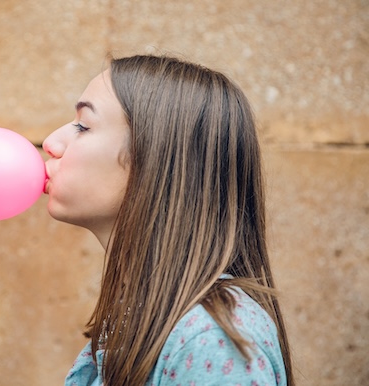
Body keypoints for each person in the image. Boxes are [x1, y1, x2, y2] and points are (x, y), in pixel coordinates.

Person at [42, 54, 294, 386]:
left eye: (83, 126)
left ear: (153, 161)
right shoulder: (142, 315)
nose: (51, 143)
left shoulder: (210, 342)